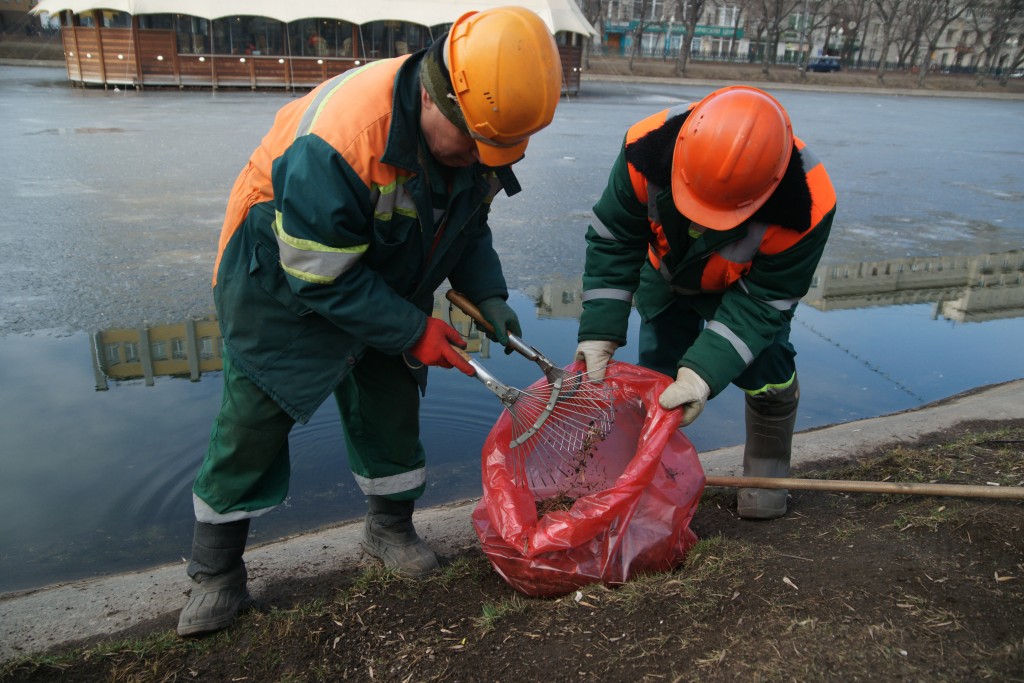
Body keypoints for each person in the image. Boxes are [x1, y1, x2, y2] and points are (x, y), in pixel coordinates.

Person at [177, 6, 562, 638]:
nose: (477, 159)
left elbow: (468, 225)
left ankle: (389, 530)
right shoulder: (338, 141)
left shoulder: (479, 133)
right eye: (472, 145)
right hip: (280, 276)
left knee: (390, 402)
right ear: (439, 101)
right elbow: (319, 272)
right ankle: (216, 574)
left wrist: (487, 294)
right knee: (252, 422)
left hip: (383, 271)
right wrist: (413, 329)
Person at [574, 85, 836, 521]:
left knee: (769, 376)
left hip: (743, 292)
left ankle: (764, 483)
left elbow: (765, 304)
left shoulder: (810, 203)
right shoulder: (645, 147)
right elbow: (615, 239)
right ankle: (649, 489)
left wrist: (703, 375)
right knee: (656, 385)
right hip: (667, 277)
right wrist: (599, 329)